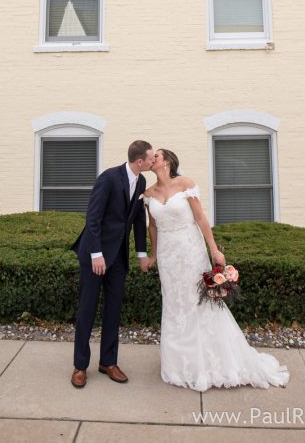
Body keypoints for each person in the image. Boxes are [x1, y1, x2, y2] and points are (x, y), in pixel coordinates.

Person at [143, 148, 290, 392]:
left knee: (201, 304)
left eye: (156, 156)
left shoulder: (185, 184)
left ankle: (214, 361)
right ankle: (180, 364)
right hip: (169, 259)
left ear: (167, 161)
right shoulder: (148, 194)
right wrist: (154, 255)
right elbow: (153, 228)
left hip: (191, 251)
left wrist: (214, 251)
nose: (152, 159)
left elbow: (200, 219)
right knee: (176, 305)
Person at [71, 139, 155, 388]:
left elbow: (138, 219)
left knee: (113, 309)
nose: (153, 161)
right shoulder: (108, 178)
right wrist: (96, 254)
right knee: (87, 309)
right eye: (151, 158)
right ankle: (80, 366)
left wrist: (141, 253)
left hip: (118, 256)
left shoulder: (141, 181)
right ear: (140, 160)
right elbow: (93, 217)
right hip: (95, 255)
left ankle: (108, 362)